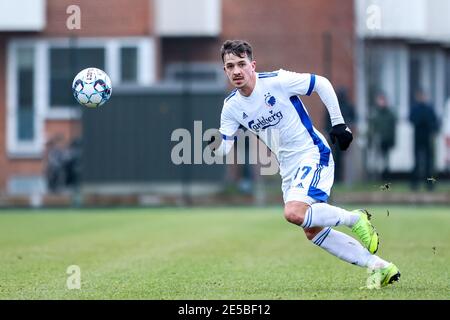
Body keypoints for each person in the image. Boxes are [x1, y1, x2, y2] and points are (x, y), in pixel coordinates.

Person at [211, 40, 400, 289]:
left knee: (293, 213)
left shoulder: (277, 81)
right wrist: (213, 150)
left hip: (312, 153)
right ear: (225, 71)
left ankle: (355, 218)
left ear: (252, 65)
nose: (236, 71)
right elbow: (225, 143)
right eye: (230, 66)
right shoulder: (231, 106)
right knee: (311, 230)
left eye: (241, 64)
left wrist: (339, 124)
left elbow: (321, 83)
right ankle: (380, 266)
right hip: (288, 167)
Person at [409, 89, 439, 191]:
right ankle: (415, 184)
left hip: (427, 138)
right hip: (418, 138)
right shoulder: (415, 108)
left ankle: (429, 185)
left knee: (428, 162)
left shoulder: (429, 109)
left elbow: (434, 122)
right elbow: (411, 119)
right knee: (417, 162)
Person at [368, 92, 396, 181]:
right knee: (376, 160)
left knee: (386, 160)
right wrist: (370, 139)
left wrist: (392, 141)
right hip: (376, 141)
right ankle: (376, 177)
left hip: (386, 140)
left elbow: (392, 129)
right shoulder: (375, 114)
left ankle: (386, 177)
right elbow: (371, 128)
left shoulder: (390, 114)